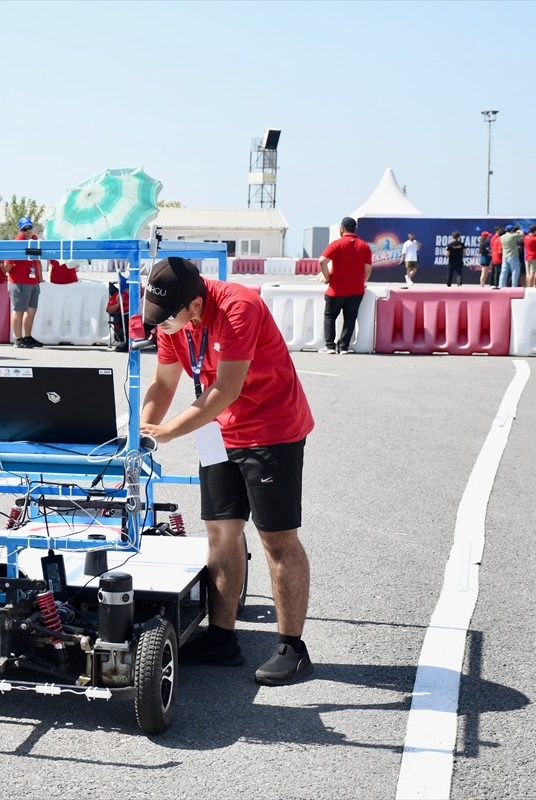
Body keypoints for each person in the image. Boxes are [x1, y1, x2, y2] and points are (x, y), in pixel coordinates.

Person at [139, 257, 316, 686]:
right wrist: (142, 430)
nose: (160, 327)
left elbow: (226, 389)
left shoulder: (240, 306)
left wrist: (167, 432)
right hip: (218, 434)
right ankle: (222, 637)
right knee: (220, 533)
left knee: (276, 540)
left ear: (196, 306)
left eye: (166, 320)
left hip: (271, 431)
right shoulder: (175, 322)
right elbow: (164, 384)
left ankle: (293, 648)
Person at [318, 216, 373, 353]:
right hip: (356, 290)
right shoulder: (364, 245)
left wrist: (327, 277)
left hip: (336, 289)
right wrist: (361, 282)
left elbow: (322, 261)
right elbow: (368, 269)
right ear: (355, 229)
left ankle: (330, 346)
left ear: (342, 229)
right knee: (350, 318)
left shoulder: (337, 244)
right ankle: (343, 347)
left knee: (330, 316)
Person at [4, 215, 43, 348]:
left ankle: (27, 336)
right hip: (19, 281)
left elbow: (37, 260)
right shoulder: (17, 242)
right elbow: (7, 264)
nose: (28, 231)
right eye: (25, 229)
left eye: (29, 228)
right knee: (19, 310)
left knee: (31, 310)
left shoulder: (34, 238)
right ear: (20, 230)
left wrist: (40, 277)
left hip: (33, 281)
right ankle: (18, 338)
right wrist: (13, 276)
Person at [499, 224, 523, 288]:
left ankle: (501, 285)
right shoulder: (512, 236)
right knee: (515, 271)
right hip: (512, 255)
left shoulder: (501, 237)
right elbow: (521, 235)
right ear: (512, 230)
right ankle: (514, 285)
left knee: (504, 271)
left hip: (505, 256)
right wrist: (519, 231)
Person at [524, 224, 536, 289]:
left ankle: (528, 286)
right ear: (535, 231)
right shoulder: (534, 239)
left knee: (528, 273)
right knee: (533, 272)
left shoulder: (525, 237)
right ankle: (530, 286)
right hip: (534, 256)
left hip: (527, 256)